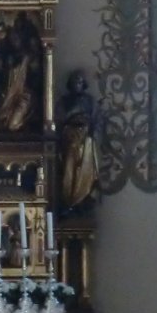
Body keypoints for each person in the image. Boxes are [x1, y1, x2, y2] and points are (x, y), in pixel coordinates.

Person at [59, 69, 99, 213]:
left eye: (80, 82)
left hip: (86, 136)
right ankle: (70, 196)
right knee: (70, 165)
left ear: (84, 84)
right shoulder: (64, 101)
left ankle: (82, 196)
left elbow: (96, 120)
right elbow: (60, 118)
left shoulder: (89, 101)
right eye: (75, 81)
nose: (77, 84)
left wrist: (91, 131)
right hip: (70, 135)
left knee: (86, 166)